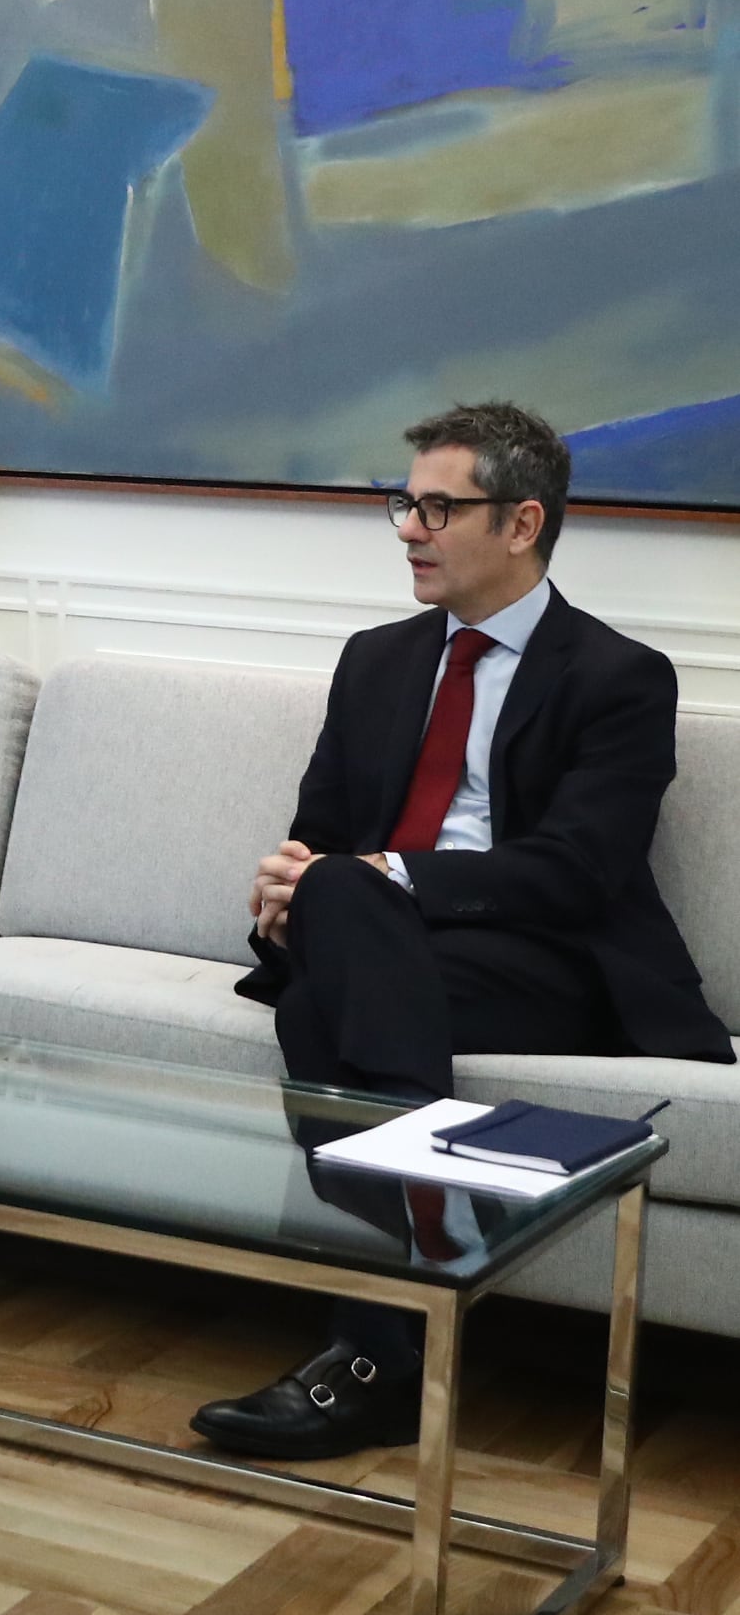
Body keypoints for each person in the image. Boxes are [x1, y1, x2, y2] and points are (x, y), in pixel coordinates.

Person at [193, 402, 734, 1462]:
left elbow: (577, 871)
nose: (407, 527)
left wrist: (369, 880)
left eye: (437, 507)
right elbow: (320, 836)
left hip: (552, 963)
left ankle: (372, 1341)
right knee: (321, 956)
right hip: (389, 953)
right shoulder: (374, 661)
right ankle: (393, 1335)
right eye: (404, 504)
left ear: (521, 522)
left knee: (335, 946)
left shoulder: (616, 677)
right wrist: (287, 888)